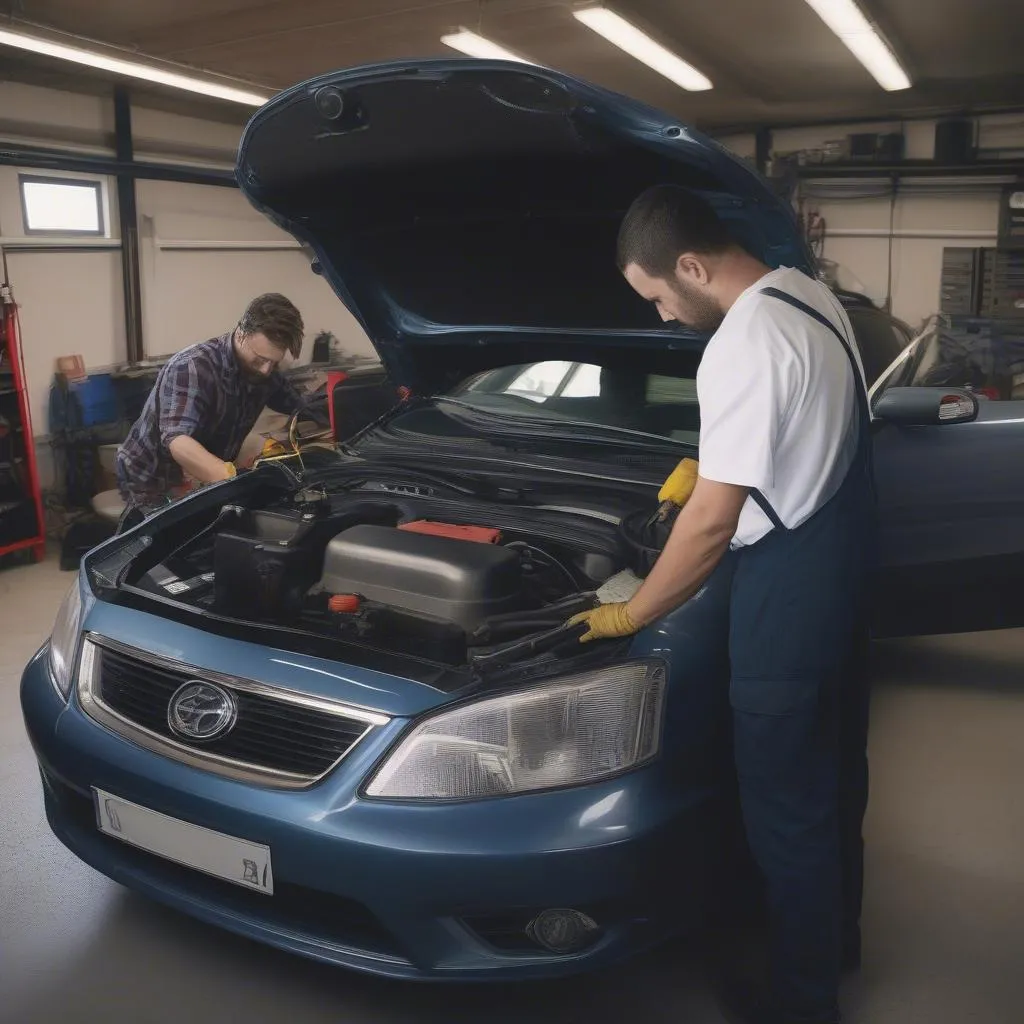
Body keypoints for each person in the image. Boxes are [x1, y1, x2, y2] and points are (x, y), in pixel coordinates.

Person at [569, 186, 875, 1024]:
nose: (664, 315)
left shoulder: (738, 344)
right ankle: (835, 941)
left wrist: (634, 612)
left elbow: (710, 527)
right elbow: (799, 426)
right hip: (840, 576)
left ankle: (801, 1002)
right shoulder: (807, 297)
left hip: (786, 599)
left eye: (661, 295)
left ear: (694, 267)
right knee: (836, 780)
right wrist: (699, 464)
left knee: (785, 810)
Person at [116, 293, 307, 527]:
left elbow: (299, 407)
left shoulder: (265, 372)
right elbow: (177, 439)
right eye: (260, 360)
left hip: (201, 472)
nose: (267, 370)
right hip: (152, 474)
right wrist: (232, 480)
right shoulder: (193, 367)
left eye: (274, 362)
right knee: (157, 544)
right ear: (241, 334)